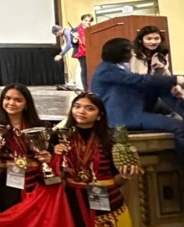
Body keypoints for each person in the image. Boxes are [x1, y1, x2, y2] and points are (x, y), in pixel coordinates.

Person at [91, 38, 184, 170]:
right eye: (131, 51)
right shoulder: (106, 70)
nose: (133, 54)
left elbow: (145, 83)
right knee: (181, 128)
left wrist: (170, 84)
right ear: (121, 53)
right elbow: (140, 80)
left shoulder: (118, 68)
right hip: (123, 117)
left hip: (132, 109)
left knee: (158, 87)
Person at [54, 92, 141, 227]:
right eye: (77, 106)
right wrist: (54, 157)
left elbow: (117, 181)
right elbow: (52, 174)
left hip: (107, 199)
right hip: (72, 201)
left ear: (99, 115)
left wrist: (126, 174)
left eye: (90, 108)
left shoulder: (111, 140)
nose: (81, 111)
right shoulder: (59, 137)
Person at [0, 84, 50, 212]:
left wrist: (47, 157)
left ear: (26, 104)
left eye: (18, 100)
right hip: (8, 183)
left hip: (36, 182)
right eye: (7, 98)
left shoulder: (39, 127)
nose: (11, 103)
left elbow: (48, 154)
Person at [53, 25, 83, 90]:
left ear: (58, 31)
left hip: (81, 51)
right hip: (81, 51)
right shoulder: (68, 31)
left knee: (79, 69)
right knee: (79, 69)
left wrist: (61, 54)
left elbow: (69, 44)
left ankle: (80, 87)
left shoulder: (67, 32)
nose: (57, 36)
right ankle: (80, 86)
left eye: (56, 34)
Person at [74, 14, 93, 90]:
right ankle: (86, 89)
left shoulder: (92, 29)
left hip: (91, 52)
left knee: (91, 70)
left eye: (89, 21)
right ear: (82, 20)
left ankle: (92, 87)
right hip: (82, 53)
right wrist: (75, 38)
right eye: (86, 20)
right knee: (84, 70)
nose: (87, 22)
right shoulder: (75, 30)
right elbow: (72, 43)